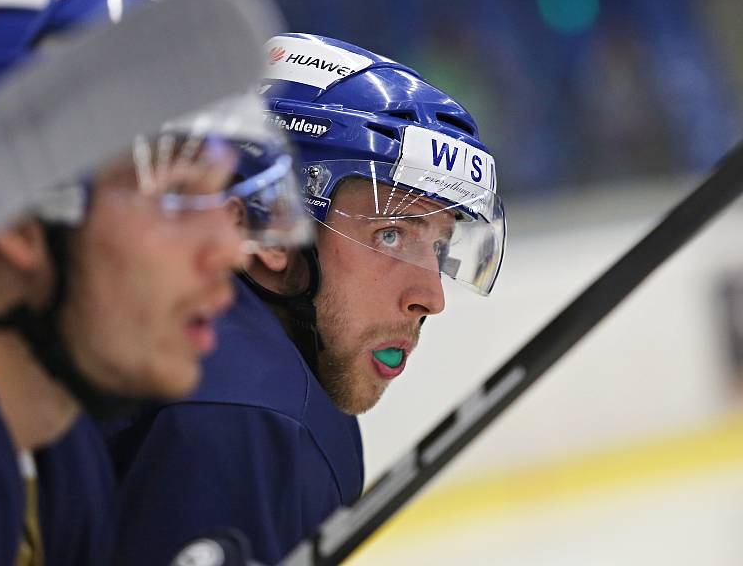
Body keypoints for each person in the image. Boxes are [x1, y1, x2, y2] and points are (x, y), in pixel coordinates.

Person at [0, 0, 302, 564]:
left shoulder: (57, 455)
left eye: (224, 195)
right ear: (19, 223)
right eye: (177, 193)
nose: (230, 250)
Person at [106, 33, 507, 565]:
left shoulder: (207, 350)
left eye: (438, 245)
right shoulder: (247, 415)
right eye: (391, 234)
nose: (430, 297)